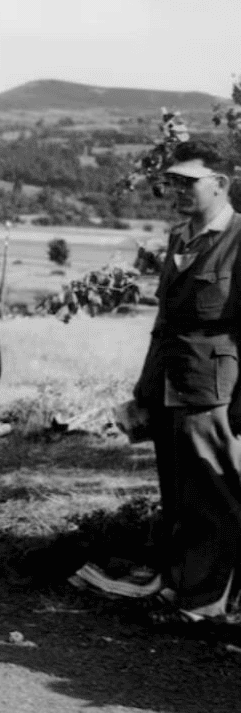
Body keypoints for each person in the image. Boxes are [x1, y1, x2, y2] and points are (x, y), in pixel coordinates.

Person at [132, 141, 241, 624]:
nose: (177, 190)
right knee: (177, 492)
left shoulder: (238, 239)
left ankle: (207, 601)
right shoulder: (181, 237)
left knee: (214, 497)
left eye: (188, 182)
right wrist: (144, 386)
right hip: (170, 381)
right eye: (172, 181)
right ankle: (181, 584)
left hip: (214, 387)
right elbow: (165, 319)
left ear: (221, 184)